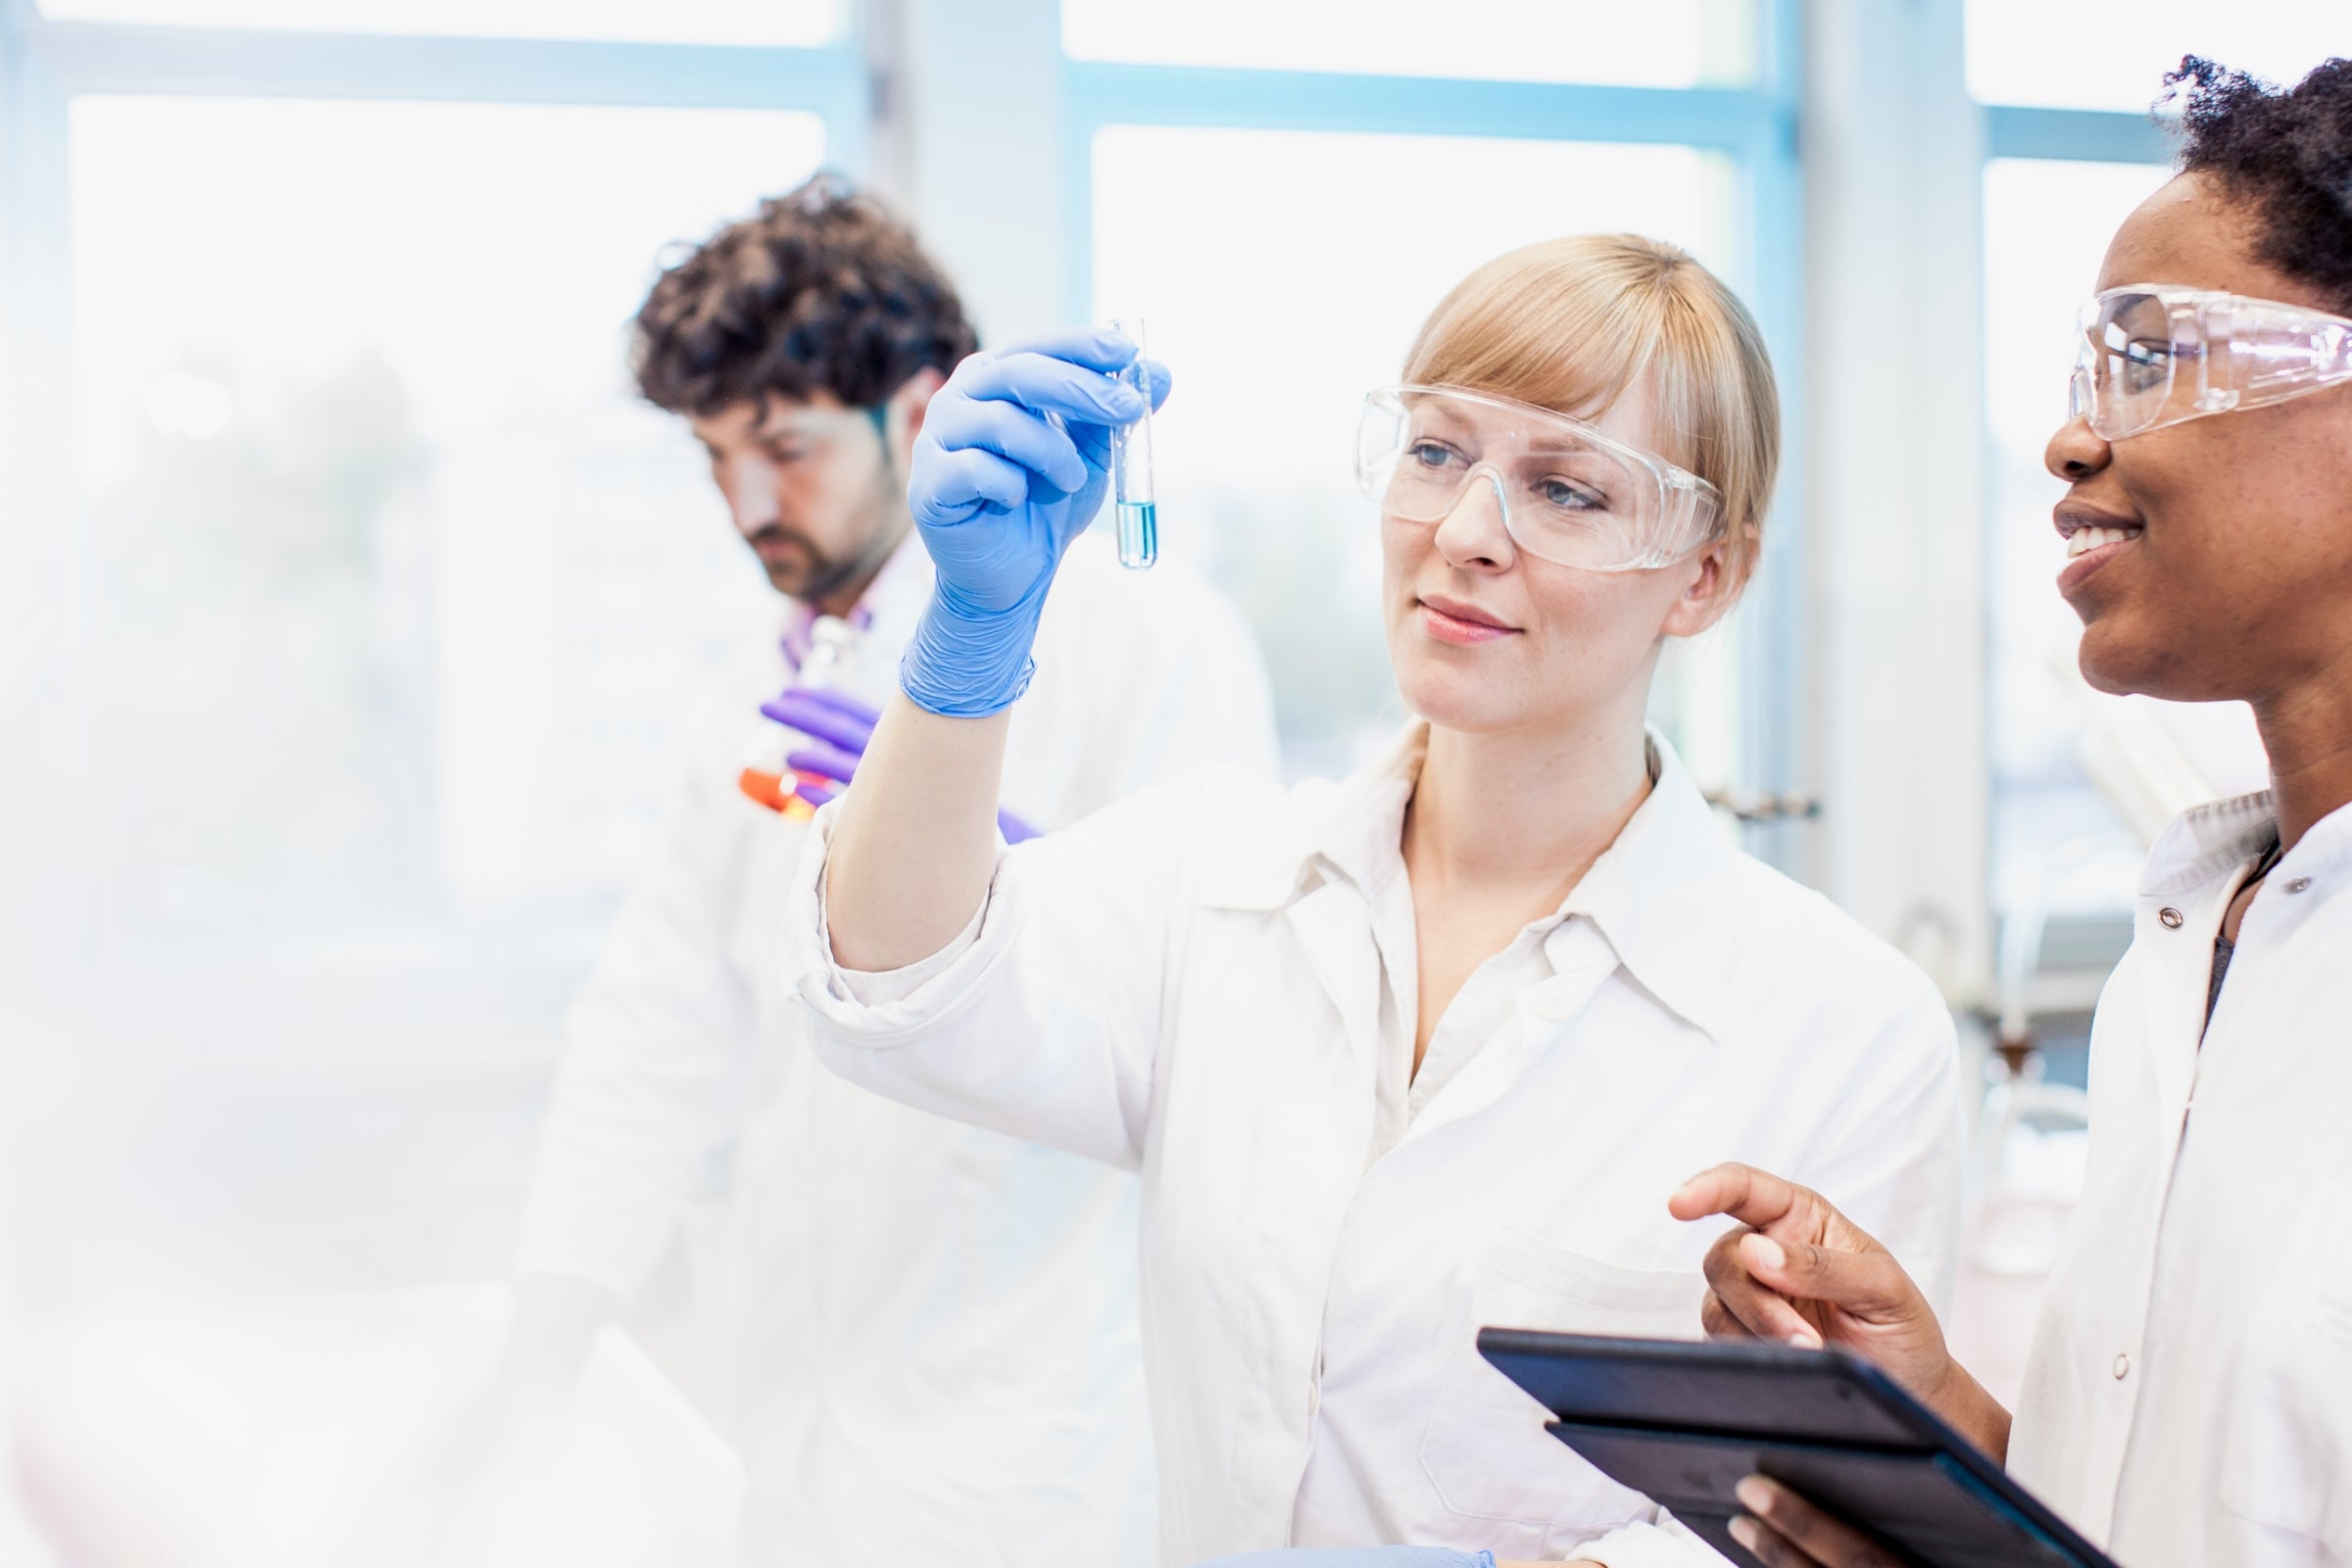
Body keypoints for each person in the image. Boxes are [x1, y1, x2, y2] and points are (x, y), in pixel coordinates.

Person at [780, 233, 1966, 1566]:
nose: (1462, 535)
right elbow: (898, 989)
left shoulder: (1847, 1026)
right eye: (1438, 453)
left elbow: (1829, 1531)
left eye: (1566, 490)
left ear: (1707, 576)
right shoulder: (1212, 879)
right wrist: (971, 642)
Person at [506, 174, 1280, 1566]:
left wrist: (985, 872)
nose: (747, 504)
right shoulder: (751, 691)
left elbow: (1223, 1029)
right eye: (713, 458)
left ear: (919, 415)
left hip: (1035, 1446)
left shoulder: (1150, 637)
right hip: (796, 1434)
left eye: (785, 447)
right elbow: (654, 1031)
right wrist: (549, 1335)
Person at [1674, 57, 2352, 1568]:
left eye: (2151, 358)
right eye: (2085, 374)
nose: (2069, 442)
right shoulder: (2196, 949)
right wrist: (1936, 1424)